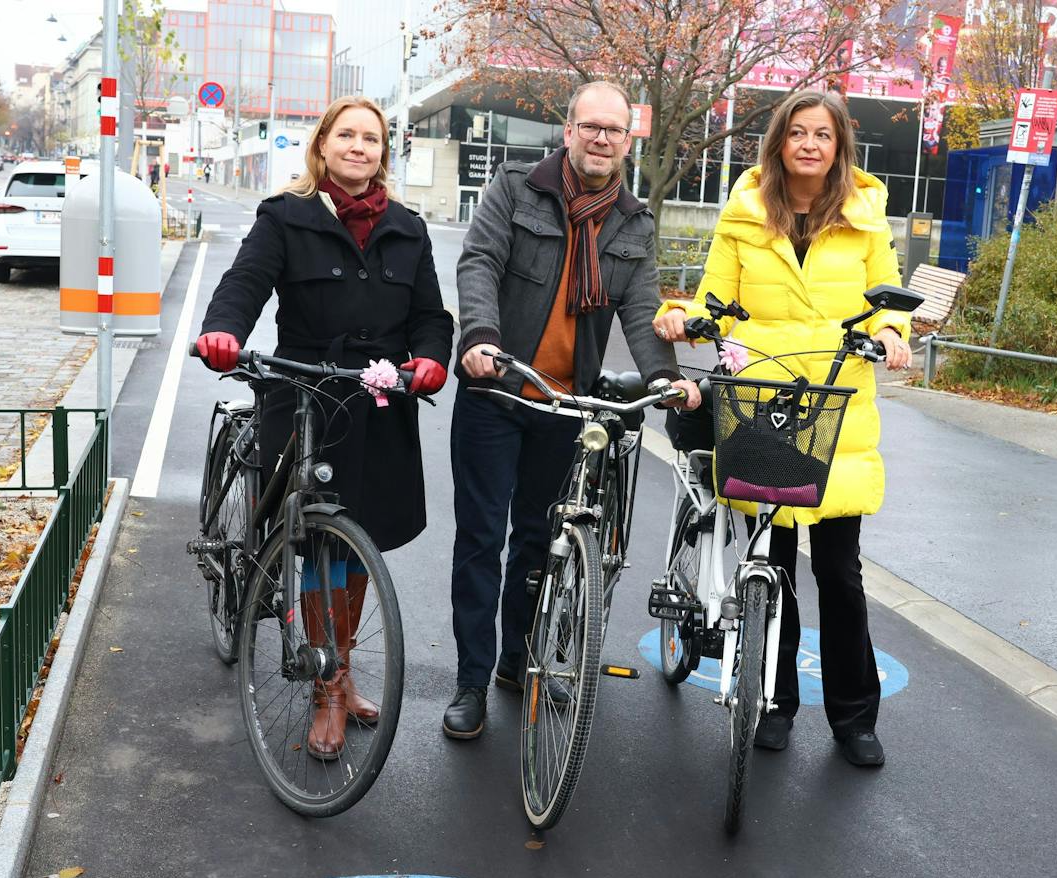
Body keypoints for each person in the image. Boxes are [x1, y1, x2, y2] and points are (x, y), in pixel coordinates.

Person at [654, 91, 913, 767]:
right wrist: (685, 314)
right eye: (796, 132)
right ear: (779, 142)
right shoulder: (743, 214)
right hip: (763, 394)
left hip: (835, 402)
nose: (808, 144)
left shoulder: (865, 217)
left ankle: (855, 719)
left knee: (839, 571)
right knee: (772, 563)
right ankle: (774, 701)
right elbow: (714, 296)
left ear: (838, 147)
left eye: (821, 134)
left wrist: (891, 330)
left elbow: (888, 294)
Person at [194, 95, 453, 760]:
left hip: (378, 400)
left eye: (371, 138)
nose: (358, 146)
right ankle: (325, 690)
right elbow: (246, 282)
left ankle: (342, 667)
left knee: (359, 538)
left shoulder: (407, 227)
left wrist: (429, 357)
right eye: (347, 135)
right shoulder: (287, 216)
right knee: (315, 543)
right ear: (324, 145)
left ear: (383, 153)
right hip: (305, 393)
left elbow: (431, 313)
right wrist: (223, 329)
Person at [444, 80, 703, 740]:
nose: (601, 139)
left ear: (626, 141)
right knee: (481, 539)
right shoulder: (515, 188)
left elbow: (642, 314)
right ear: (568, 132)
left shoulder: (633, 223)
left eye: (614, 131)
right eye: (590, 126)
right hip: (499, 388)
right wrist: (479, 337)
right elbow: (479, 262)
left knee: (537, 540)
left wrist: (666, 379)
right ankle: (471, 682)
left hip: (563, 405)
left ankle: (515, 661)